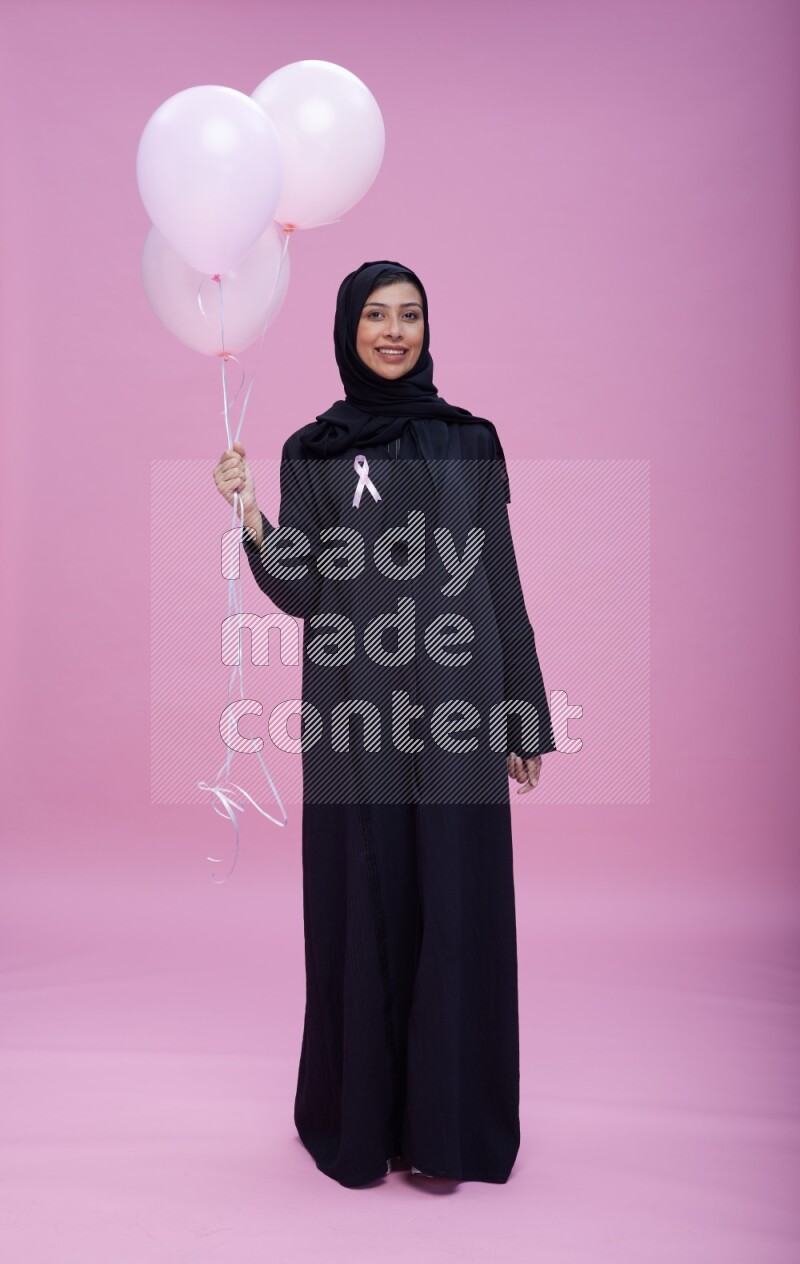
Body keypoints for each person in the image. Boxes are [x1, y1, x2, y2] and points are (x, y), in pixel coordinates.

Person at [213, 260, 557, 1188]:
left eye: (410, 315)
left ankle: (449, 1131)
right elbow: (303, 584)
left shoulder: (470, 441)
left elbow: (500, 583)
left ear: (427, 329)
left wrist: (524, 713)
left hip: (460, 709)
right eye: (376, 316)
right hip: (354, 712)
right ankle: (361, 1121)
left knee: (454, 903)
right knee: (362, 901)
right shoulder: (313, 451)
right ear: (347, 329)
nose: (394, 331)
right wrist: (248, 515)